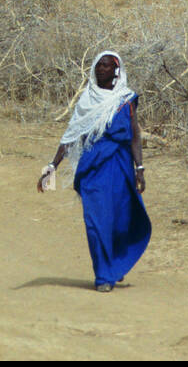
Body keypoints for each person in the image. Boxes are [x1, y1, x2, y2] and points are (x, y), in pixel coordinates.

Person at [37, 50, 151, 292]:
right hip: (93, 168)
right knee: (96, 221)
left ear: (116, 70)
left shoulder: (126, 99)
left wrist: (139, 168)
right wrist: (51, 167)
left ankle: (116, 263)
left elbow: (134, 136)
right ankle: (103, 276)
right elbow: (71, 136)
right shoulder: (87, 101)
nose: (101, 69)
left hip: (120, 166)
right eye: (98, 65)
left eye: (107, 65)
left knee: (120, 220)